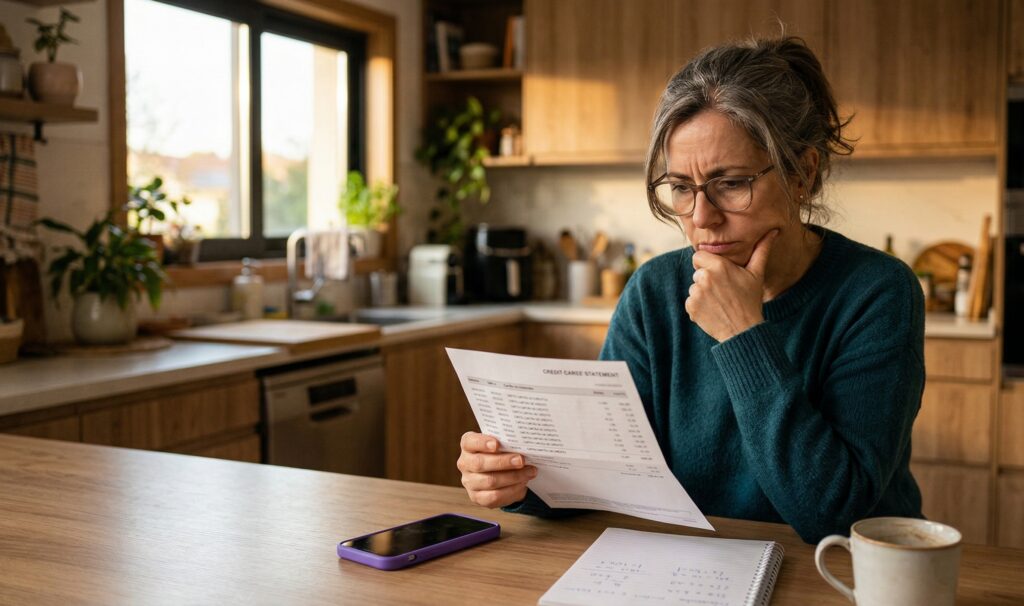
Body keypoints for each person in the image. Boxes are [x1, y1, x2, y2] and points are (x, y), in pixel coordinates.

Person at [456, 35, 925, 543]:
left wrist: (743, 335)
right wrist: (519, 479)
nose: (701, 219)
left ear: (802, 175)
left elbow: (831, 515)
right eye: (681, 188)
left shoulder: (878, 292)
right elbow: (606, 475)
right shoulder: (655, 291)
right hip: (697, 568)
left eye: (732, 183)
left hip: (845, 575)